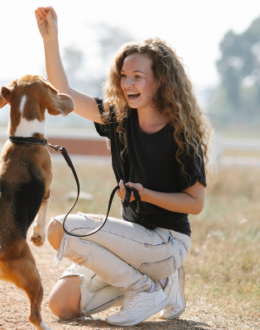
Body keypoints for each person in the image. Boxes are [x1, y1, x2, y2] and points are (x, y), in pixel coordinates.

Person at [35, 6, 214, 327]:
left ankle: (145, 288)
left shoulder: (181, 134)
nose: (128, 83)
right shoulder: (118, 118)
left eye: (138, 76)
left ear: (160, 81)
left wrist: (146, 194)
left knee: (58, 227)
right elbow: (64, 94)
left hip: (167, 242)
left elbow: (196, 204)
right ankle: (162, 286)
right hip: (132, 242)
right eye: (123, 76)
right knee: (62, 305)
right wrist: (51, 40)